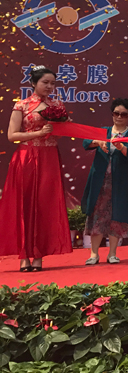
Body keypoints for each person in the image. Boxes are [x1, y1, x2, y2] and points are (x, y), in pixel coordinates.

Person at [0, 66, 72, 271]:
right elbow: (12, 135)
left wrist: (63, 127)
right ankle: (24, 256)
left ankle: (39, 255)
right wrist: (38, 133)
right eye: (45, 82)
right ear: (33, 83)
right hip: (26, 157)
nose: (49, 86)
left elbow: (60, 134)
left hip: (49, 158)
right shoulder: (21, 105)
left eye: (52, 83)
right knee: (24, 204)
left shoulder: (57, 105)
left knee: (45, 205)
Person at [82, 98, 128, 265]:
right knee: (97, 216)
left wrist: (121, 147)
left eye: (123, 114)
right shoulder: (103, 131)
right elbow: (86, 142)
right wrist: (98, 141)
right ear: (112, 114)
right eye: (116, 113)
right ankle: (94, 254)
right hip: (100, 181)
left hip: (120, 183)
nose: (119, 117)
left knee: (117, 217)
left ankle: (112, 254)